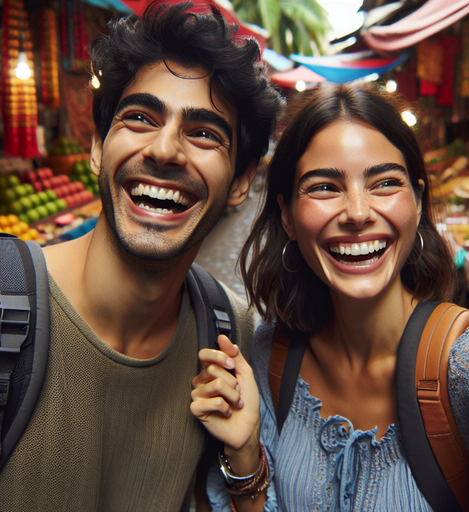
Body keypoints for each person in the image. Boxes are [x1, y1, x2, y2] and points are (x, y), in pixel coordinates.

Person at [0, 2, 282, 511]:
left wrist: (245, 464)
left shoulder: (230, 333)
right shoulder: (5, 303)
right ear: (96, 147)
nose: (165, 150)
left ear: (241, 181)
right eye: (139, 118)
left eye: (203, 133)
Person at [191, 82, 469, 511]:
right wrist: (246, 453)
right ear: (286, 216)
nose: (358, 213)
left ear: (417, 202)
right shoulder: (271, 357)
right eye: (324, 187)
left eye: (384, 183)